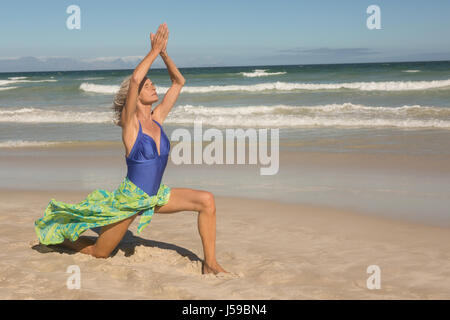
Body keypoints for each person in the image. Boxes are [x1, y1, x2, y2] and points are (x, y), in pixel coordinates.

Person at [34, 23, 228, 275]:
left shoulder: (157, 118)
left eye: (152, 84)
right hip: (129, 201)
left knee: (207, 200)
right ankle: (58, 238)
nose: (153, 86)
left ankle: (210, 264)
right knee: (100, 253)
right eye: (148, 86)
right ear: (134, 97)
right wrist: (153, 50)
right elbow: (136, 78)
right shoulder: (130, 126)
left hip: (155, 196)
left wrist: (164, 54)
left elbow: (179, 82)